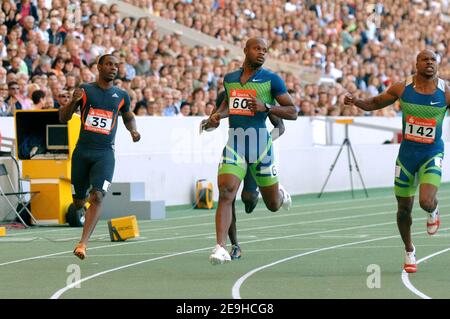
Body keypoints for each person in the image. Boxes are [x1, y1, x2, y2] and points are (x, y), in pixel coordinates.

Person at [344, 50, 450, 273]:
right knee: (404, 209)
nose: (430, 63)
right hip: (407, 156)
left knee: (425, 201)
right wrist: (357, 102)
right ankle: (409, 250)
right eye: (425, 59)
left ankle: (434, 210)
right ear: (417, 63)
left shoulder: (446, 91)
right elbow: (375, 103)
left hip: (432, 152)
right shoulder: (402, 88)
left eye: (433, 60)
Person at [202, 37, 297, 265]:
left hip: (261, 146)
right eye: (257, 49)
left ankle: (280, 194)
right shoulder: (230, 79)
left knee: (272, 205)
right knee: (226, 192)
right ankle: (221, 247)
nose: (261, 53)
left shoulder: (272, 79)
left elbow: (293, 111)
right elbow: (226, 106)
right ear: (245, 50)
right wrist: (215, 117)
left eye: (265, 50)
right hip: (235, 143)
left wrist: (268, 107)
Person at [59, 54, 141, 260]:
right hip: (82, 153)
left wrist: (133, 131)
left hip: (104, 154)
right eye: (109, 64)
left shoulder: (121, 95)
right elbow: (63, 117)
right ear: (99, 67)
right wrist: (73, 102)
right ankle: (81, 201)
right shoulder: (85, 90)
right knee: (78, 202)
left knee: (97, 196)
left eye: (116, 66)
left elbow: (128, 115)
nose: (114, 68)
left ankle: (82, 243)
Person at [207, 90, 286, 260]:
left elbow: (280, 127)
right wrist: (209, 123)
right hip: (236, 151)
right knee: (227, 196)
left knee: (249, 199)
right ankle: (233, 245)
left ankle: (279, 192)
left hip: (259, 152)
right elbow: (212, 121)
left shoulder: (265, 93)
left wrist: (264, 142)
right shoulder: (227, 93)